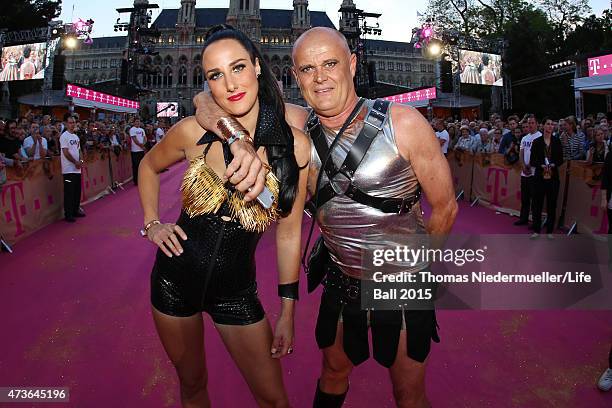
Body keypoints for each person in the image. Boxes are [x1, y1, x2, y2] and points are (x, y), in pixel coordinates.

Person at [194, 26, 457, 407]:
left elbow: (446, 207)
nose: (320, 77)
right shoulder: (297, 123)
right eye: (306, 69)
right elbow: (205, 100)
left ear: (351, 65)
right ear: (295, 76)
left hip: (400, 284)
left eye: (330, 64)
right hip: (341, 281)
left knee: (408, 392)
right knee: (333, 372)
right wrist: (235, 136)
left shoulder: (403, 123)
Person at [138, 25, 310, 407]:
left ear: (257, 67)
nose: (230, 83)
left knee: (274, 400)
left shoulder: (294, 145)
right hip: (171, 284)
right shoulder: (190, 133)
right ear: (208, 84)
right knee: (193, 385)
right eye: (216, 75)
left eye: (238, 68)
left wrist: (287, 309)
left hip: (237, 294)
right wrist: (152, 223)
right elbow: (148, 166)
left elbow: (289, 233)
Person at [529, 118, 564, 239]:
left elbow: (560, 159)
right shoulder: (537, 142)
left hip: (553, 177)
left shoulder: (556, 141)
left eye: (552, 124)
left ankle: (549, 231)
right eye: (548, 124)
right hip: (539, 177)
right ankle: (536, 230)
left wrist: (553, 164)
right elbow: (532, 160)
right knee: (537, 204)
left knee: (551, 204)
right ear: (543, 126)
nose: (550, 126)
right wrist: (541, 165)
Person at [515, 114, 541, 227]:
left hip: (535, 173)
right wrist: (523, 166)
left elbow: (539, 155)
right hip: (524, 172)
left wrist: (530, 166)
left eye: (532, 123)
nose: (530, 125)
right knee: (524, 198)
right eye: (529, 123)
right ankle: (523, 218)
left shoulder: (540, 137)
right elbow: (521, 153)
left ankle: (536, 222)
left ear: (537, 124)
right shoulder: (524, 138)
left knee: (535, 199)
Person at [60, 114, 84, 223]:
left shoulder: (76, 137)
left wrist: (81, 161)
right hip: (68, 169)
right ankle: (68, 214)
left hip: (77, 169)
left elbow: (79, 151)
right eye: (70, 122)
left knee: (77, 191)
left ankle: (75, 210)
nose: (72, 124)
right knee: (69, 191)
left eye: (73, 122)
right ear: (66, 124)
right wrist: (75, 162)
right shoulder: (64, 136)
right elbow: (65, 152)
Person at [129, 118, 146, 186]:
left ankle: (141, 179)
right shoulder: (132, 129)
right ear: (134, 123)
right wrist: (141, 145)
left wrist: (143, 144)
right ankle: (136, 181)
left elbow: (145, 138)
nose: (138, 123)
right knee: (136, 166)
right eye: (136, 121)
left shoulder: (142, 130)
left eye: (139, 121)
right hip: (135, 150)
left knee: (141, 165)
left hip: (141, 150)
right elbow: (134, 139)